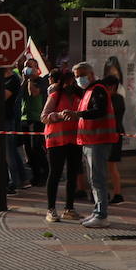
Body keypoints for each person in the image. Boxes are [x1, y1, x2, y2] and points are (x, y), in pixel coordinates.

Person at [68, 61, 118, 228]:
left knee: (98, 178)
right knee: (94, 178)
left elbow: (99, 111)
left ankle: (101, 214)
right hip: (91, 140)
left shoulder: (97, 90)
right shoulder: (90, 90)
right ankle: (98, 211)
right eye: (76, 77)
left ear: (90, 74)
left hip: (98, 140)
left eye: (81, 76)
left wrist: (78, 114)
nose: (79, 79)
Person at [41, 69, 83, 222]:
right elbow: (43, 117)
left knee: (72, 174)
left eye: (73, 81)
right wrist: (58, 115)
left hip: (75, 140)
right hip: (56, 141)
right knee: (55, 174)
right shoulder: (55, 96)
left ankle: (69, 208)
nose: (71, 84)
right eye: (68, 81)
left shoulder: (80, 97)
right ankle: (51, 209)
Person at [21, 65, 47, 187]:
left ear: (37, 69)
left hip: (37, 119)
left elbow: (34, 93)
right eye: (26, 66)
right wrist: (24, 79)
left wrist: (30, 79)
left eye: (31, 66)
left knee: (36, 147)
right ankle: (35, 174)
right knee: (28, 149)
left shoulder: (42, 81)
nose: (28, 69)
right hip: (25, 118)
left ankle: (44, 173)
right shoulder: (24, 81)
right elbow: (19, 93)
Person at [102, 72, 126, 204]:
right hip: (113, 134)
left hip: (113, 135)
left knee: (110, 166)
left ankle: (117, 193)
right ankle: (111, 193)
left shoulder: (115, 100)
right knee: (109, 166)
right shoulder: (117, 99)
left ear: (111, 87)